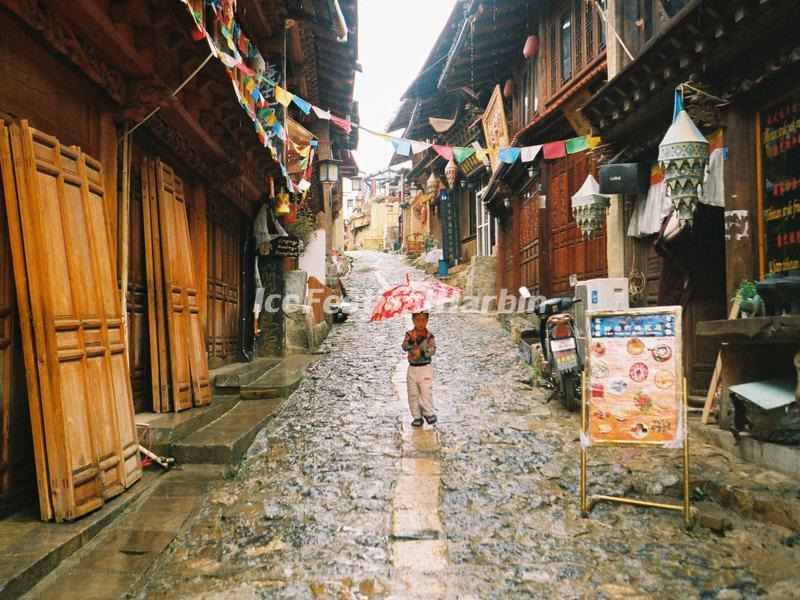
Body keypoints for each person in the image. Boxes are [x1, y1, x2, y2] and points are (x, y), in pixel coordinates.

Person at [402, 312, 437, 427]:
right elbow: (404, 347)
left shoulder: (429, 336)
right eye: (418, 320)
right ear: (413, 320)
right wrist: (412, 341)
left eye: (423, 320)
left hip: (425, 368)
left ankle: (428, 413)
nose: (420, 323)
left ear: (427, 321)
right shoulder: (409, 334)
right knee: (413, 393)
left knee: (426, 391)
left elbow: (433, 350)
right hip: (412, 368)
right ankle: (417, 416)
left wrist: (422, 351)